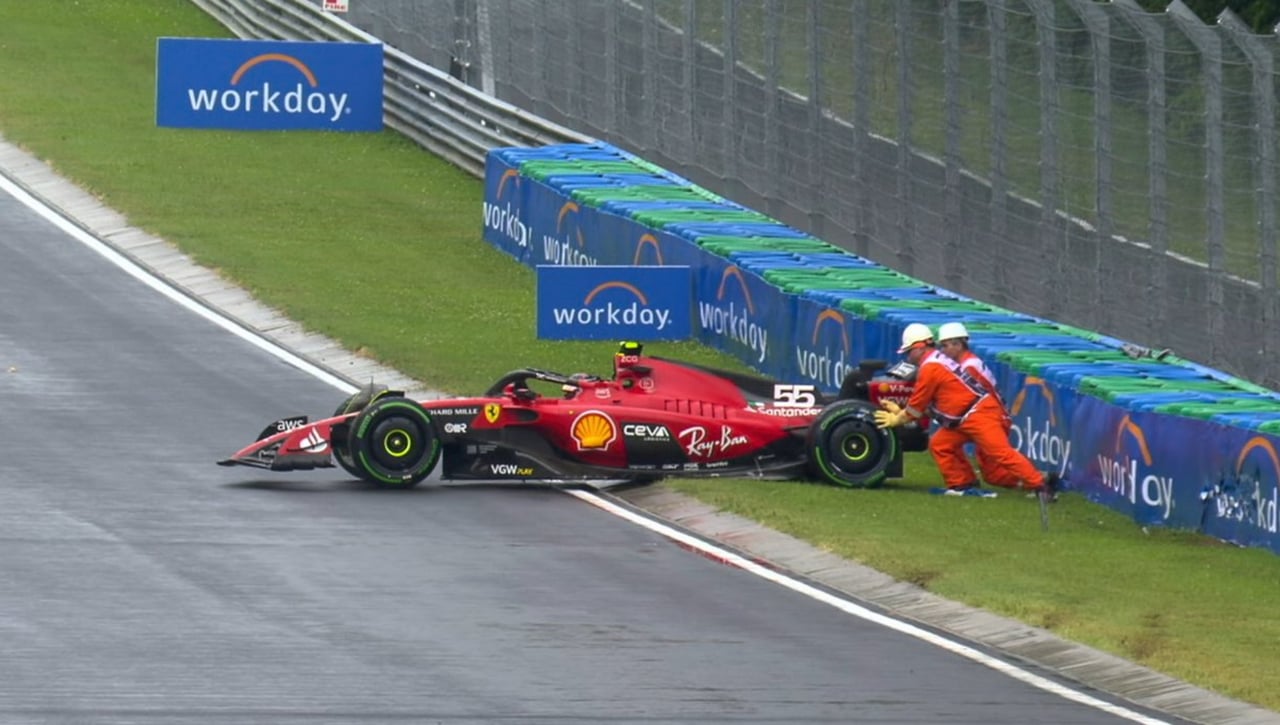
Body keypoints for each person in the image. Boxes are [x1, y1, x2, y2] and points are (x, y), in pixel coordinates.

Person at [874, 323, 1059, 501]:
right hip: (966, 416)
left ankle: (1040, 485)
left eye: (908, 351)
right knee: (940, 444)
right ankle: (962, 483)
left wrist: (897, 418)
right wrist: (903, 413)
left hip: (979, 414)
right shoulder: (936, 362)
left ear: (920, 347)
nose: (907, 357)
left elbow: (918, 406)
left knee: (1002, 454)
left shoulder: (931, 368)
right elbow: (929, 405)